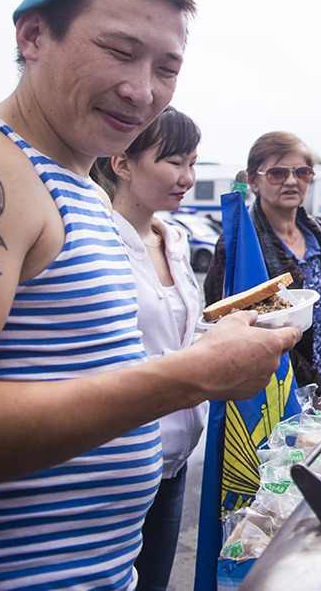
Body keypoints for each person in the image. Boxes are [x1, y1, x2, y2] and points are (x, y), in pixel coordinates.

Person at [0, 0, 299, 590]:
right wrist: (191, 377)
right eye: (119, 52)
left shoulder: (78, 189)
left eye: (167, 68)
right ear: (32, 36)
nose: (142, 91)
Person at [91, 106, 208, 591]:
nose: (187, 178)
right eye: (173, 162)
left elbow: (188, 332)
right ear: (122, 162)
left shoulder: (175, 239)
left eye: (192, 162)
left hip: (175, 462)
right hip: (117, 465)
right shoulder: (96, 240)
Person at [204, 132, 321, 399]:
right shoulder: (240, 243)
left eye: (302, 172)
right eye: (278, 173)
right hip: (270, 390)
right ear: (254, 181)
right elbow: (224, 324)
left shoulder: (320, 234)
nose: (291, 181)